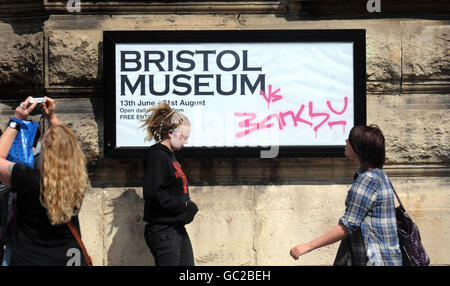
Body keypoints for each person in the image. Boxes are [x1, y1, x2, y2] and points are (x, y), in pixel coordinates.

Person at [290, 125, 402, 266]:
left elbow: (347, 226)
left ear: (358, 149)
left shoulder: (366, 181)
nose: (346, 142)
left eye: (350, 140)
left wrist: (307, 246)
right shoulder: (379, 175)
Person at [0, 96, 89, 266]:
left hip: (30, 259)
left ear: (46, 152)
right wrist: (52, 117)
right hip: (70, 259)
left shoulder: (28, 179)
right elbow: (67, 144)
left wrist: (16, 120)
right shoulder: (77, 181)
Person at [141, 102, 198, 266]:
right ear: (171, 133)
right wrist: (184, 206)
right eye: (183, 137)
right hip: (163, 230)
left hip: (176, 228)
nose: (186, 142)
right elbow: (153, 193)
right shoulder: (158, 156)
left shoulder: (170, 157)